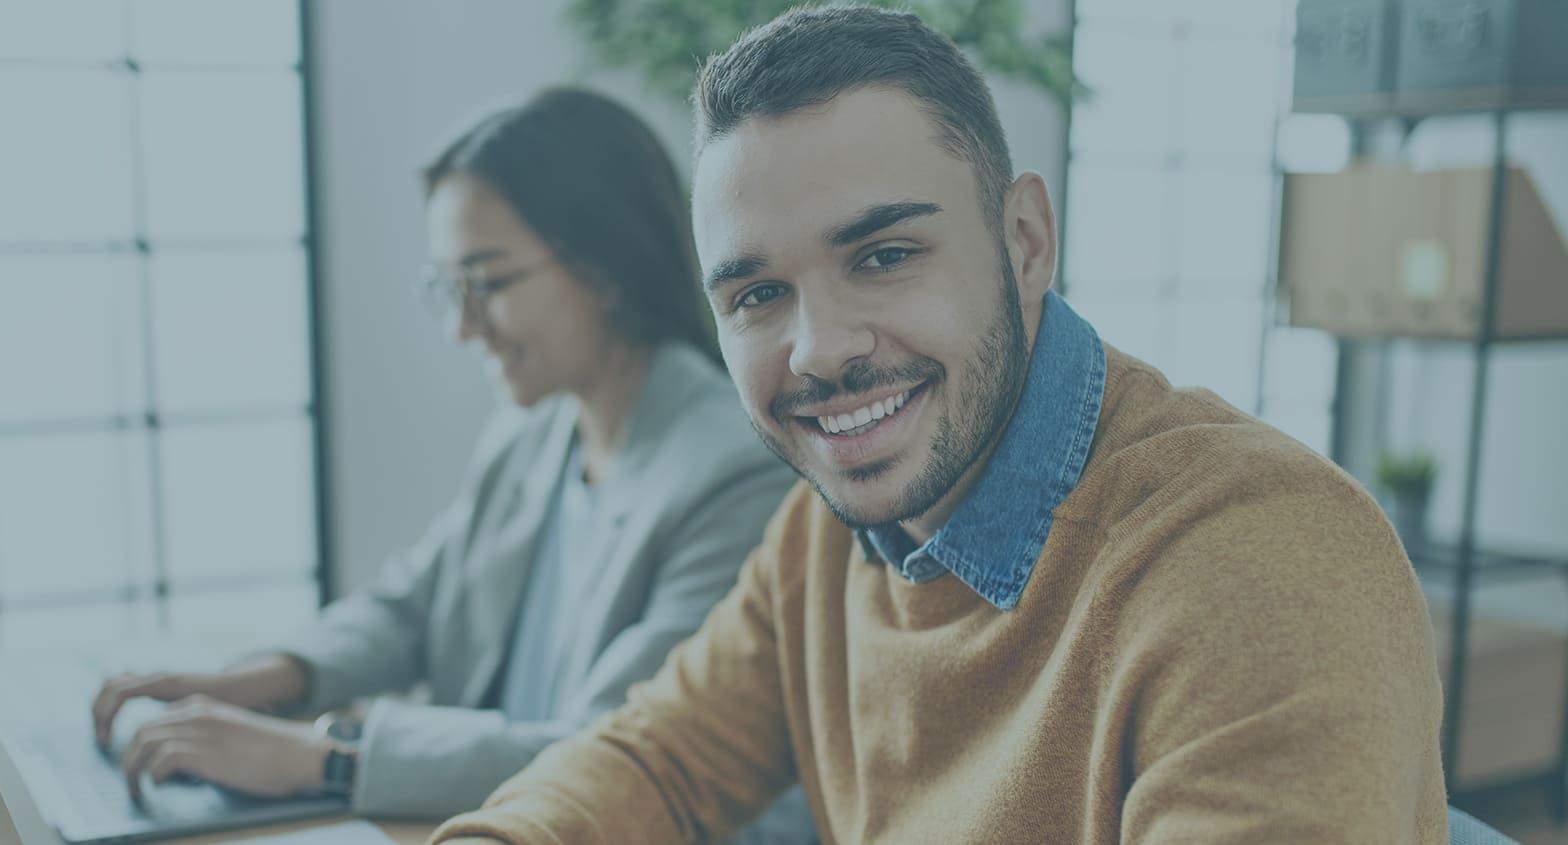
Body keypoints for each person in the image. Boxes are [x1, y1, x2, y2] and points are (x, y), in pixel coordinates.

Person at [431, 7, 1447, 844]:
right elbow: (657, 758)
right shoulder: (821, 538)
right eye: (757, 295)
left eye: (883, 255)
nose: (818, 350)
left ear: (1025, 241)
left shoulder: (1254, 561)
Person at [88, 87, 810, 839]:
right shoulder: (533, 432)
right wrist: (254, 678)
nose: (464, 327)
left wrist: (325, 755)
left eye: (488, 283)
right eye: (447, 287)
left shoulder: (733, 470)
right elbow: (416, 604)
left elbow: (620, 756)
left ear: (605, 264)